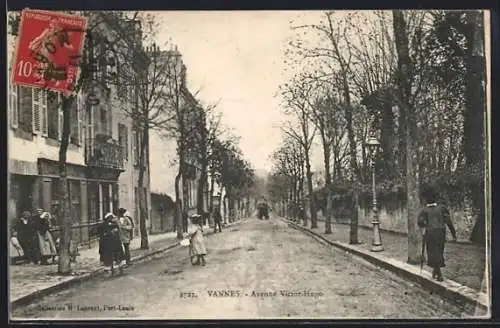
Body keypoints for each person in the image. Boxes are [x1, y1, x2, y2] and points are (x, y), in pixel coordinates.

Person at [417, 185, 457, 282]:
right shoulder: (442, 208)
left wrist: (425, 223)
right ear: (435, 198)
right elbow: (448, 221)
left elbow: (420, 222)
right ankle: (436, 271)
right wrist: (453, 234)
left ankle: (439, 273)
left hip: (430, 233)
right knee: (439, 252)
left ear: (426, 199)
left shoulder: (424, 210)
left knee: (433, 252)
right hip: (440, 232)